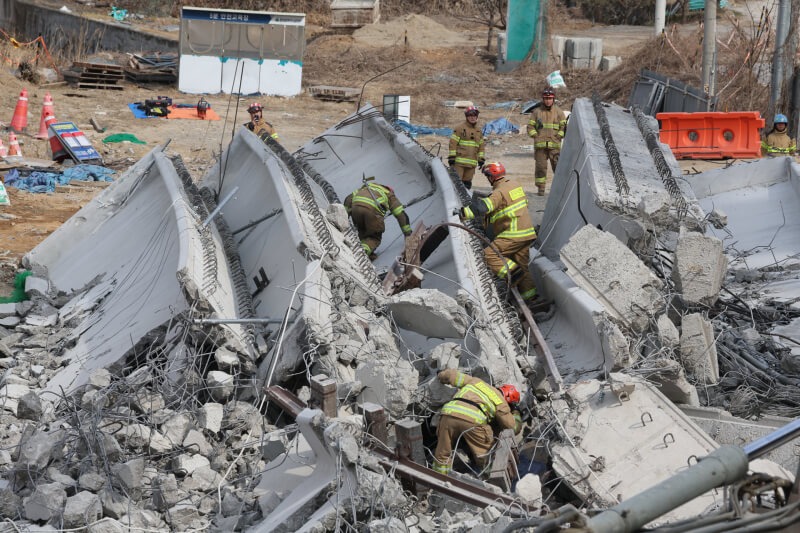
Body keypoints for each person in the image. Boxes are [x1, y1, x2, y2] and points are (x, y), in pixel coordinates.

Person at [458, 162, 539, 302]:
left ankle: (513, 273)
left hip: (512, 235)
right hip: (527, 233)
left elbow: (483, 207)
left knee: (488, 255)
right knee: (523, 265)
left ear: (491, 176)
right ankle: (531, 299)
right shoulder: (514, 185)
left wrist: (462, 213)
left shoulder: (499, 192)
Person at [432, 368, 522, 475]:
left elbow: (451, 375)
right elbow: (512, 427)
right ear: (508, 400)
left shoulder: (477, 382)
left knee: (442, 454)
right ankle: (489, 482)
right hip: (472, 421)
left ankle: (439, 480)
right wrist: (516, 413)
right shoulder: (501, 402)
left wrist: (441, 374)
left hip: (448, 414)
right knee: (487, 457)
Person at [344, 180, 412, 259]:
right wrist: (408, 234)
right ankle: (361, 254)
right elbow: (401, 215)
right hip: (372, 212)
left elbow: (348, 199)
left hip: (355, 210)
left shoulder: (367, 187)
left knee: (363, 232)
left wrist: (344, 217)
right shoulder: (389, 194)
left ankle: (366, 252)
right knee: (374, 237)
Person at [527, 87, 567, 196]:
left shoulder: (559, 112)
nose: (548, 100)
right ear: (543, 99)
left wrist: (559, 136)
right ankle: (541, 189)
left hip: (554, 147)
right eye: (546, 98)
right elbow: (530, 127)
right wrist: (536, 136)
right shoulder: (537, 112)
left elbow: (564, 127)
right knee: (540, 168)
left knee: (558, 168)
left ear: (553, 99)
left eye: (550, 98)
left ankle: (561, 189)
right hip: (540, 148)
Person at [448, 106, 486, 190]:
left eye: (474, 115)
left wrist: (481, 159)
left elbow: (481, 147)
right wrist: (452, 157)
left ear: (477, 116)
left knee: (467, 185)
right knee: (456, 184)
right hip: (459, 163)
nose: (472, 117)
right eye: (470, 115)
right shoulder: (460, 128)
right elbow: (453, 143)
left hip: (471, 164)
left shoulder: (478, 131)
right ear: (466, 116)